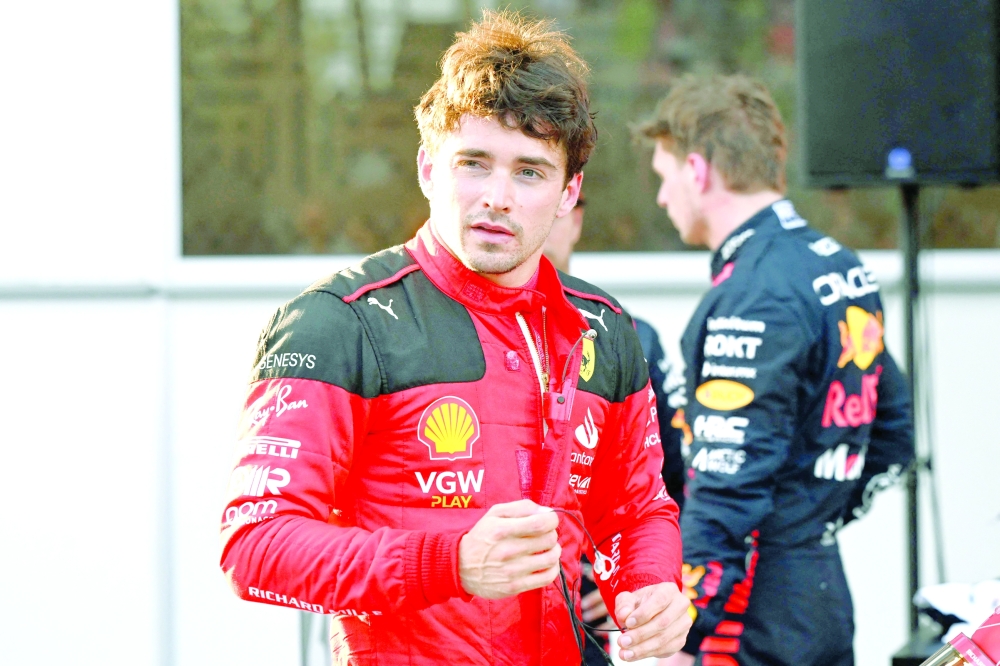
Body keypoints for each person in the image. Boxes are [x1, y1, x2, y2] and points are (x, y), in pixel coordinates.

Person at [219, 12, 692, 665]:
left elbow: (637, 507)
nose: (497, 197)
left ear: (568, 192)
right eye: (474, 163)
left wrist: (652, 584)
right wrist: (449, 562)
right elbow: (255, 546)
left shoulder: (604, 328)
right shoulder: (337, 322)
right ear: (428, 168)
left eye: (529, 172)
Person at [636, 74, 914, 666]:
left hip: (756, 611)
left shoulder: (754, 293)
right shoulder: (838, 263)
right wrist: (813, 515)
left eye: (664, 179)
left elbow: (727, 480)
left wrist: (680, 633)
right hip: (820, 591)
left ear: (697, 170)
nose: (663, 199)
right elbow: (894, 430)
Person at [543, 192, 688, 665]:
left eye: (550, 204)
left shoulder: (626, 336)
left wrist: (629, 579)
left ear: (576, 217)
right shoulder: (428, 330)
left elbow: (665, 487)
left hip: (584, 615)